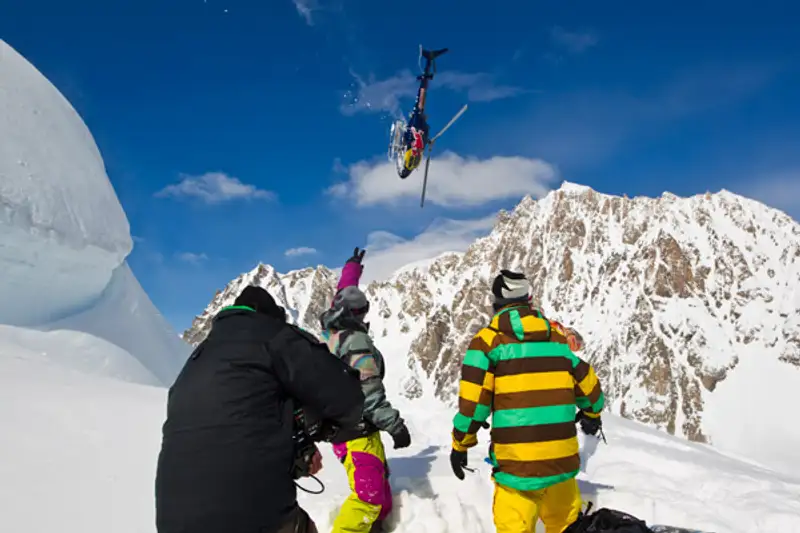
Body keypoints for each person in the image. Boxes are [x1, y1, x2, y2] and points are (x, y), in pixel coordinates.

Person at [155, 285, 365, 533]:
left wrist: (293, 444)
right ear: (269, 317)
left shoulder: (196, 360)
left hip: (171, 521)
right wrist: (320, 426)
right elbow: (347, 397)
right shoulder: (273, 335)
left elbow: (230, 427)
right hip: (253, 518)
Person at [449, 269, 605, 533]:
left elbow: (473, 405)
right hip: (562, 463)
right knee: (565, 526)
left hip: (517, 468)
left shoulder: (488, 342)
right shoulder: (557, 340)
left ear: (496, 303)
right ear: (529, 300)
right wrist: (592, 415)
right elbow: (589, 386)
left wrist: (460, 444)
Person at [320, 247, 412, 533]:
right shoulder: (357, 342)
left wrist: (351, 270)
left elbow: (344, 291)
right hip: (357, 430)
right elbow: (369, 393)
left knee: (379, 495)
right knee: (368, 499)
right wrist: (396, 426)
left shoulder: (333, 329)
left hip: (345, 430)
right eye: (362, 311)